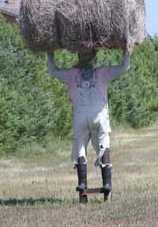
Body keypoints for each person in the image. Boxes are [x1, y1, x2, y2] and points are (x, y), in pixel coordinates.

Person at [47, 49, 131, 203]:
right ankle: (107, 187)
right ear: (94, 57)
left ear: (79, 55)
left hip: (80, 116)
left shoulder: (71, 74)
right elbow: (124, 68)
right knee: (103, 144)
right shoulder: (103, 72)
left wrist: (50, 52)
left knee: (80, 147)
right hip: (98, 115)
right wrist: (127, 50)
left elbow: (52, 71)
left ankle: (83, 186)